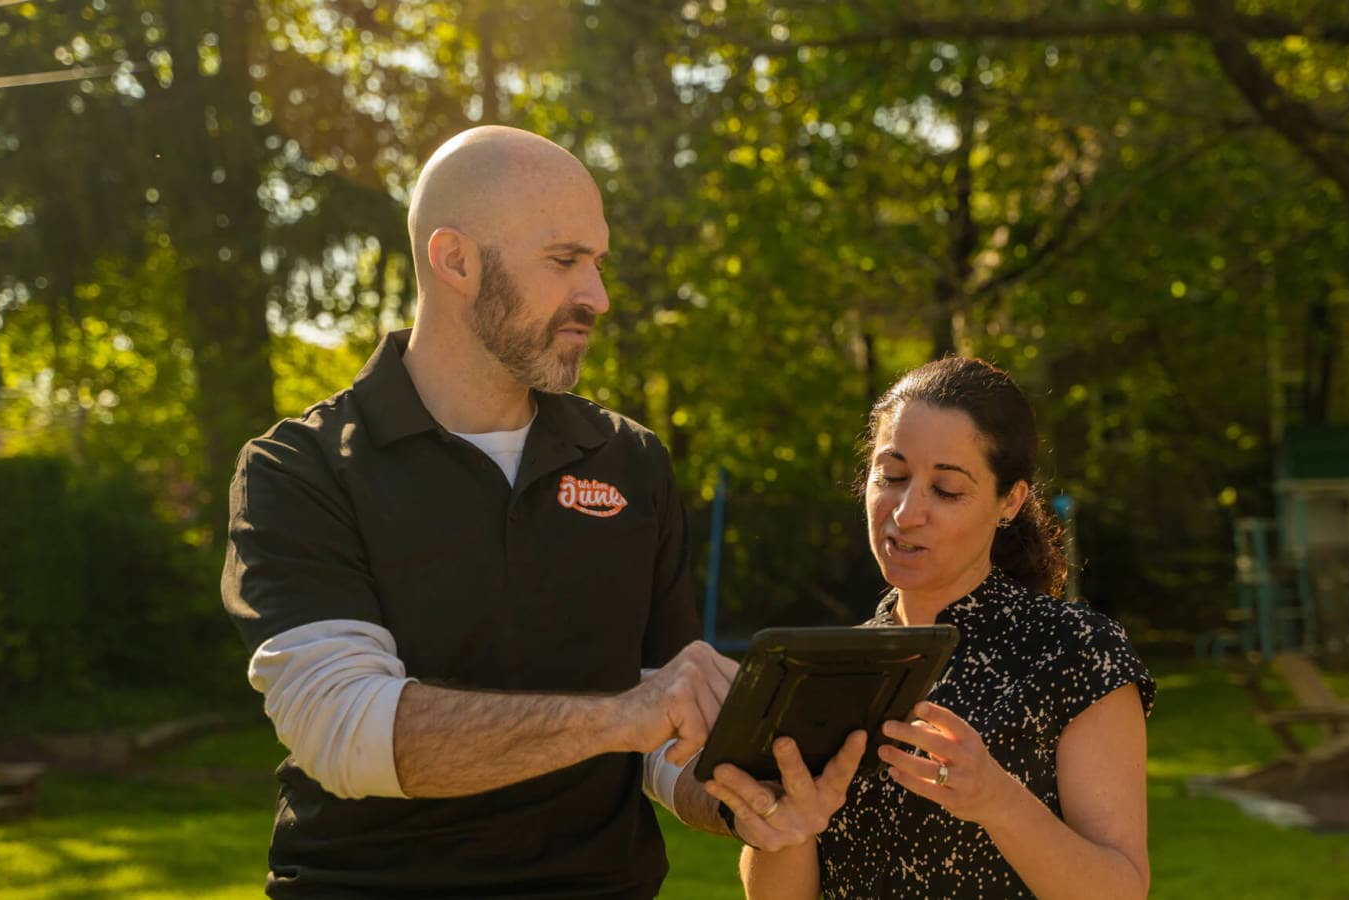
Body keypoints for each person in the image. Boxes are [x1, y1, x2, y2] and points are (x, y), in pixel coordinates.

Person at [220, 125, 862, 899]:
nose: (597, 296)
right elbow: (345, 730)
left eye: (597, 262)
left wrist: (747, 799)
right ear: (454, 260)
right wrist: (625, 717)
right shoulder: (300, 468)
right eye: (564, 261)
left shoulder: (630, 461)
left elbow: (669, 733)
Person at [707, 356, 1155, 899]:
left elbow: (1121, 890)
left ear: (1009, 501)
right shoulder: (824, 669)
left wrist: (995, 798)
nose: (905, 513)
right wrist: (783, 829)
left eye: (945, 490)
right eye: (892, 477)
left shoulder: (1075, 651)